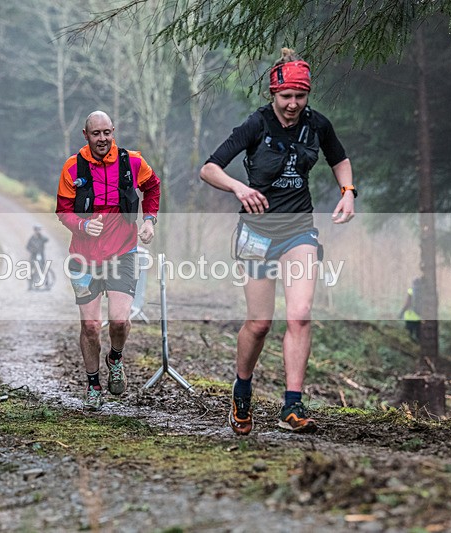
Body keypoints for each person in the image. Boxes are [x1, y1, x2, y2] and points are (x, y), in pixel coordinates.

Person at [199, 48, 356, 434]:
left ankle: (292, 406)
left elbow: (339, 159)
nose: (293, 104)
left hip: (299, 230)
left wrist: (348, 191)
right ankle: (242, 390)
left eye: (300, 96)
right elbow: (209, 168)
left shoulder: (317, 125)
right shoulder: (257, 124)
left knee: (299, 314)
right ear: (273, 93)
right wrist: (239, 188)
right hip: (256, 233)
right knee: (260, 323)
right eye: (286, 96)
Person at [56, 110, 161, 410]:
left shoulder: (132, 162)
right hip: (83, 257)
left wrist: (149, 220)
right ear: (85, 135)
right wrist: (82, 225)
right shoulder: (73, 167)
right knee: (90, 326)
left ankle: (115, 358)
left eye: (107, 132)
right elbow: (63, 211)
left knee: (119, 320)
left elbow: (153, 187)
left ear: (113, 131)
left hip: (123, 253)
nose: (102, 139)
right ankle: (93, 385)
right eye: (96, 133)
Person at [26, 224, 49, 290]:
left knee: (44, 269)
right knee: (31, 270)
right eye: (36, 230)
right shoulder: (31, 238)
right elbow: (27, 247)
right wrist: (32, 250)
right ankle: (30, 285)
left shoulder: (41, 238)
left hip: (41, 256)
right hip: (33, 256)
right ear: (34, 230)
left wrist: (41, 235)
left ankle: (47, 284)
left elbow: (47, 239)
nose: (38, 231)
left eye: (39, 230)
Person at [399, 278, 422, 342]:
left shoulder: (411, 291)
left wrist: (401, 313)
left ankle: (411, 346)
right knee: (419, 335)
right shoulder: (423, 292)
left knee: (408, 335)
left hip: (410, 316)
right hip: (419, 317)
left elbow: (408, 303)